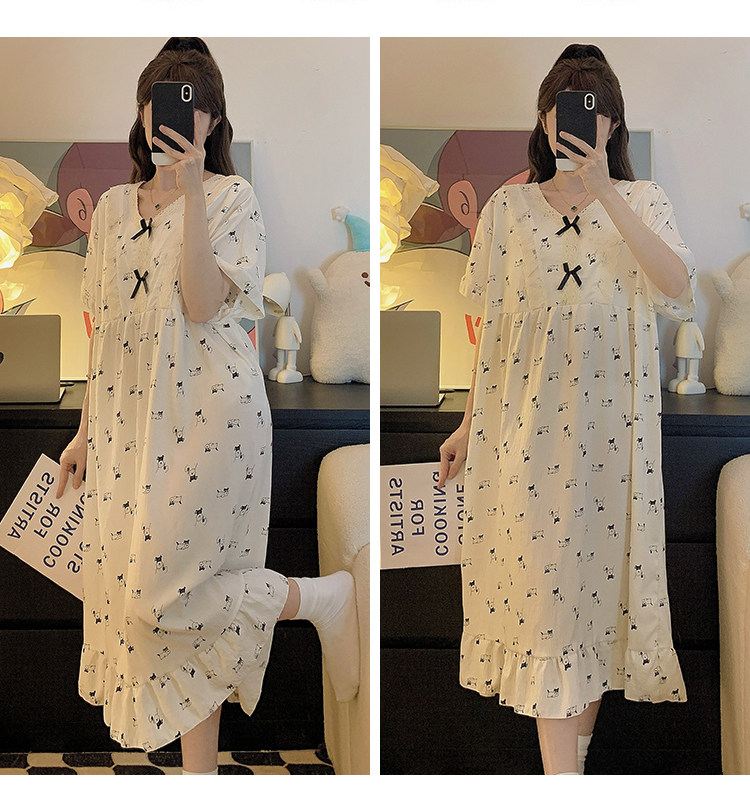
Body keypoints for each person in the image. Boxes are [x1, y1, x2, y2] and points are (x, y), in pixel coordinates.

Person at [56, 37, 359, 775]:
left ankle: (317, 600)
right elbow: (104, 333)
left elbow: (199, 304)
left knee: (163, 595)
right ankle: (203, 774)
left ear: (213, 120)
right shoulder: (112, 211)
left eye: (190, 104)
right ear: (142, 113)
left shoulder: (232, 199)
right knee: (145, 600)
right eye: (159, 100)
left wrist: (191, 188)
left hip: (210, 420)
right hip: (129, 428)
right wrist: (85, 431)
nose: (172, 117)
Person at [437, 44, 696, 775]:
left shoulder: (643, 203)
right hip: (523, 441)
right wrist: (468, 423)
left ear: (612, 124)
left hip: (614, 443)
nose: (577, 123)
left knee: (591, 613)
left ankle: (569, 769)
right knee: (545, 608)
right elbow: (494, 334)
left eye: (592, 110)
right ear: (544, 121)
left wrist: (606, 189)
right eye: (563, 110)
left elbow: (677, 286)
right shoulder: (508, 209)